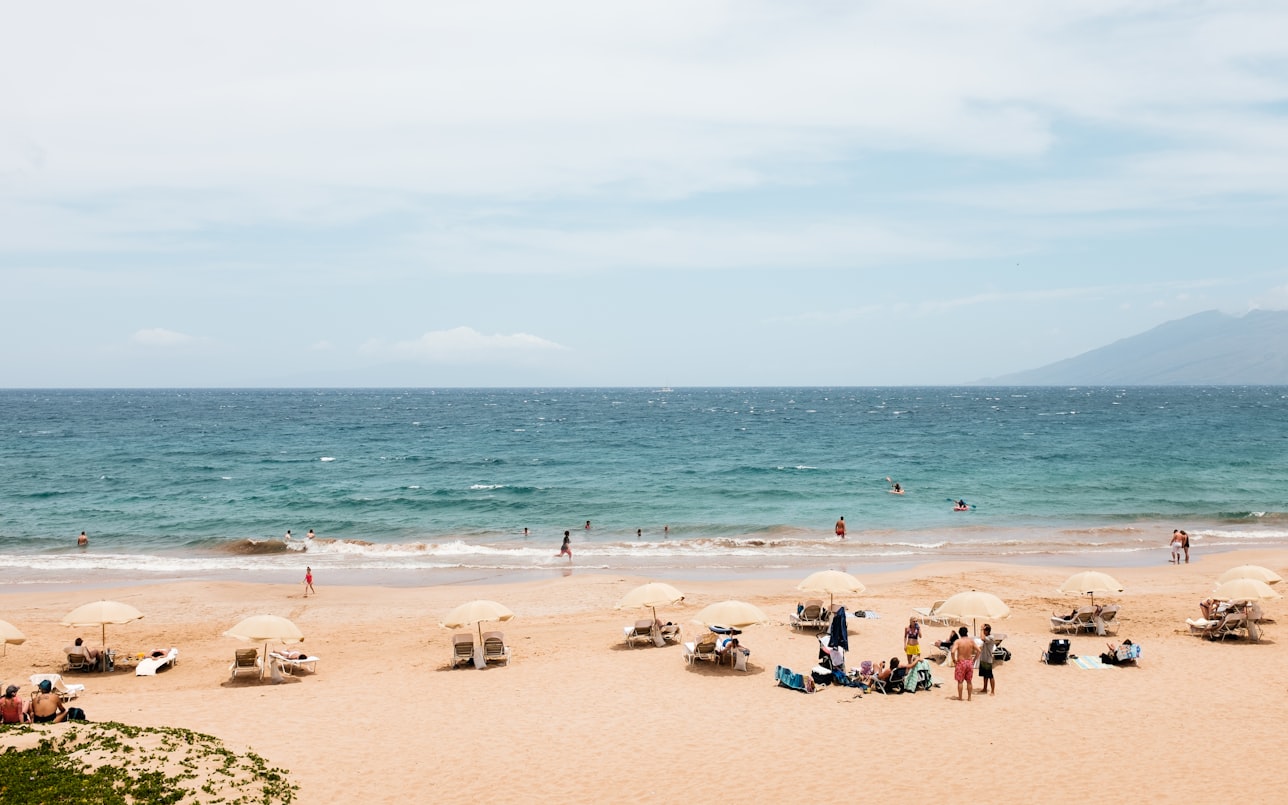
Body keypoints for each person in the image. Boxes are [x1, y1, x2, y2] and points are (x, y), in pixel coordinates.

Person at [951, 628, 980, 701]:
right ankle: (969, 697)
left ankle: (960, 698)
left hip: (961, 662)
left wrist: (954, 660)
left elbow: (952, 651)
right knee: (969, 681)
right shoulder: (971, 641)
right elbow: (979, 651)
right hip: (969, 662)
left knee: (960, 681)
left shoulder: (958, 641)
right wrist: (974, 660)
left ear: (960, 633)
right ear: (967, 633)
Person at [978, 624, 997, 696]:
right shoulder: (987, 637)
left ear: (987, 631)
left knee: (990, 676)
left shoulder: (991, 637)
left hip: (988, 659)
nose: (983, 632)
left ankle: (992, 691)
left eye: (984, 630)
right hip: (983, 658)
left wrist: (981, 629)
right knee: (984, 675)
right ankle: (985, 688)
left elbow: (982, 638)